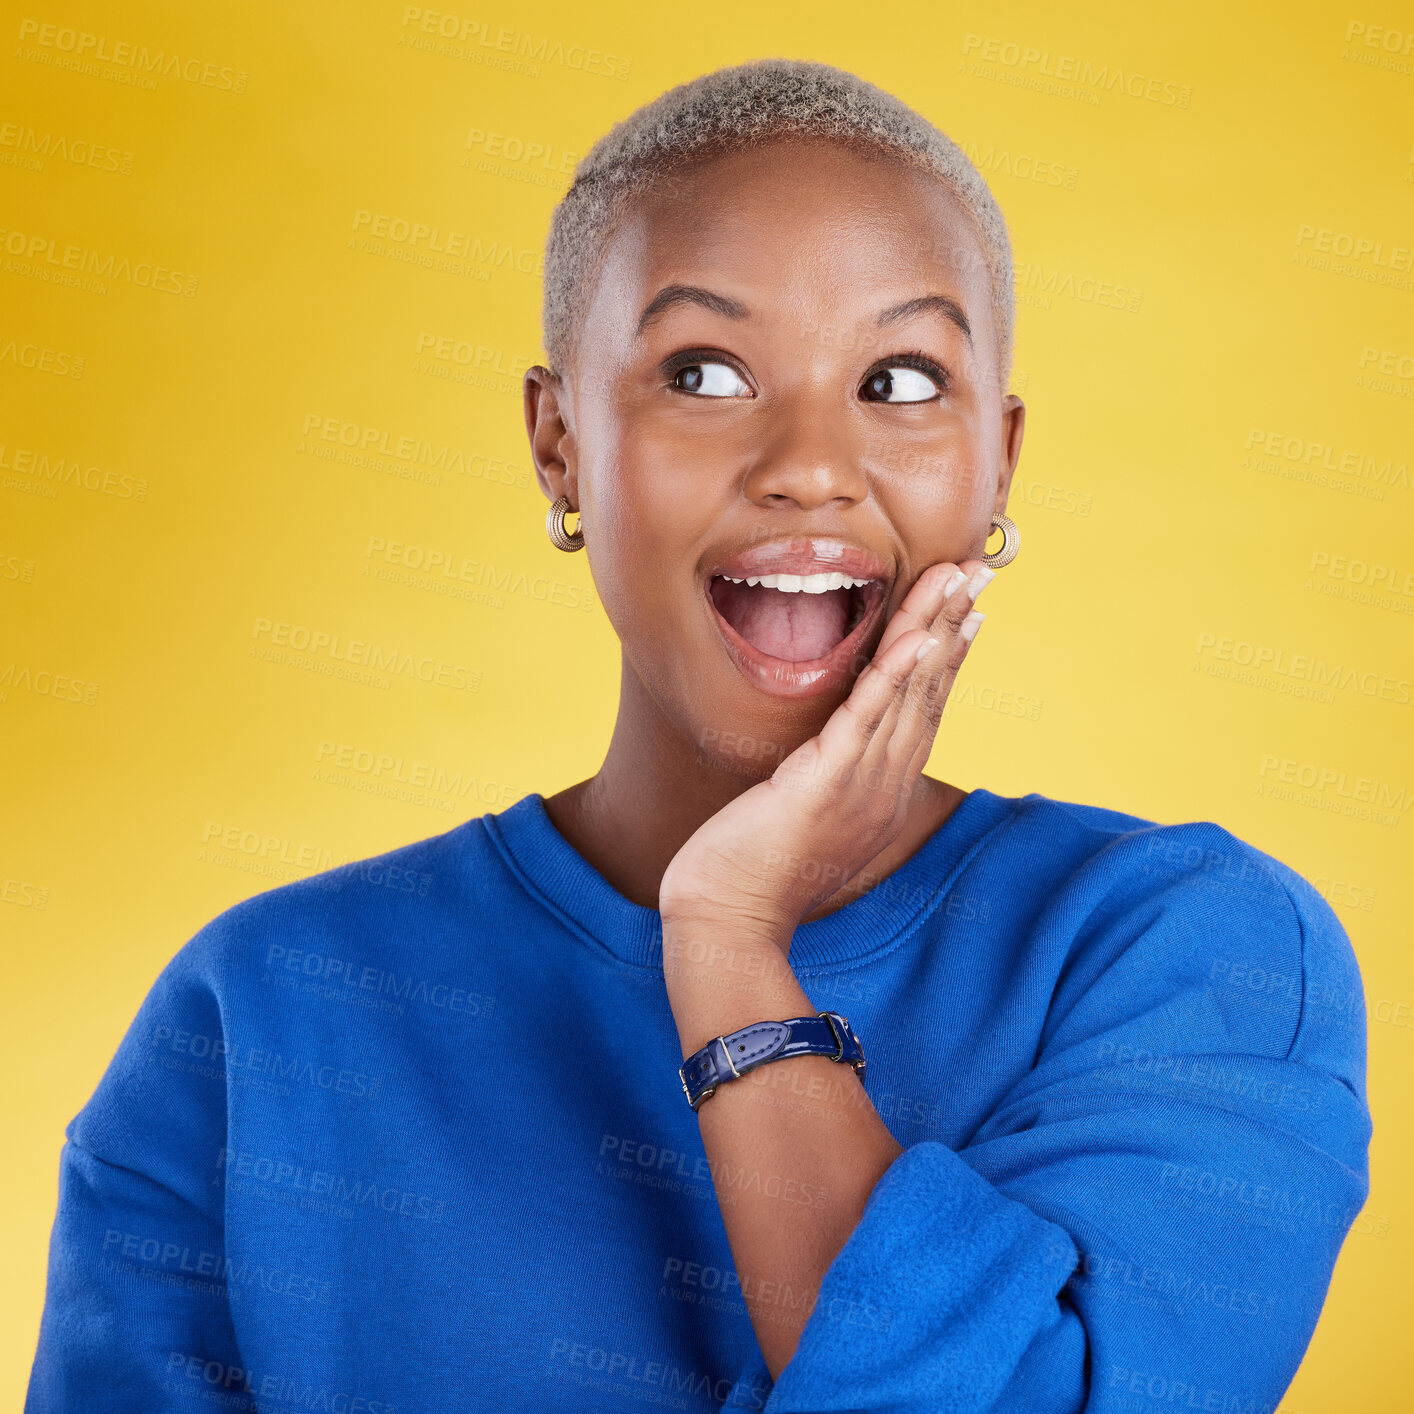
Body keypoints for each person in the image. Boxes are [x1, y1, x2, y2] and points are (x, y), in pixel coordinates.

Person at [26, 59, 1370, 1414]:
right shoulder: (258, 1012)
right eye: (704, 369)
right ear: (558, 444)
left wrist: (728, 939)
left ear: (997, 461)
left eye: (900, 379)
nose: (807, 461)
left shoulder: (1190, 959)